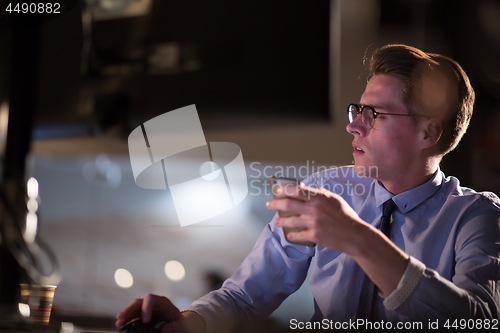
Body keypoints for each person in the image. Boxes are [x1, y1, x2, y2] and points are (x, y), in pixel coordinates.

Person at [115, 44, 500, 333]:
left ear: (429, 132)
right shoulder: (324, 191)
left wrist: (356, 237)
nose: (353, 127)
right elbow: (245, 295)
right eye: (358, 110)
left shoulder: (478, 216)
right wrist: (188, 323)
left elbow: (478, 322)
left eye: (375, 115)